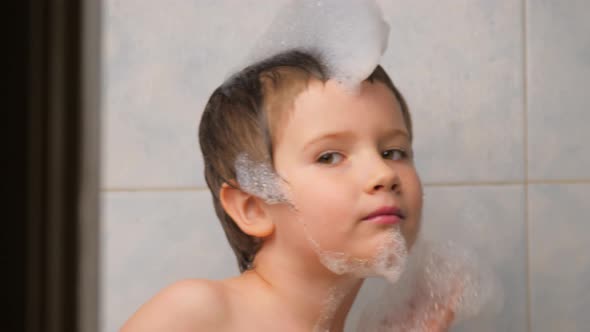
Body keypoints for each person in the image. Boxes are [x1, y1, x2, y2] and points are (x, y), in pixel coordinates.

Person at [121, 50, 457, 332]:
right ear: (254, 207)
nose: (383, 173)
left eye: (393, 152)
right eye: (329, 157)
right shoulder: (199, 313)